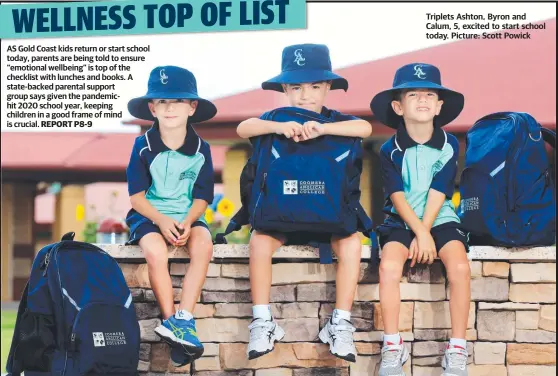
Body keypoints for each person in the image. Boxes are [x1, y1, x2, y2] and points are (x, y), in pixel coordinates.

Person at [236, 44, 373, 362]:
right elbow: (244, 128)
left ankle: (340, 322)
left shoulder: (339, 121)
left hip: (329, 219)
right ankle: (262, 320)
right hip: (280, 217)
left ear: (327, 87)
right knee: (259, 243)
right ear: (285, 89)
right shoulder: (274, 118)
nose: (305, 94)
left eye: (314, 86)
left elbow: (364, 128)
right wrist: (279, 127)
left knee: (351, 244)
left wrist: (322, 129)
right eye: (296, 87)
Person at [370, 63, 471, 376]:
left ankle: (456, 349)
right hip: (400, 220)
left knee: (459, 267)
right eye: (413, 94)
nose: (423, 100)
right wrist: (417, 232)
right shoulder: (390, 149)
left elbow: (441, 189)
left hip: (439, 217)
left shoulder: (449, 144)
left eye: (430, 94)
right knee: (388, 267)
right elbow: (397, 195)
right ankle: (392, 346)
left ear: (439, 105)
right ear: (399, 106)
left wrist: (425, 233)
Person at [125, 65, 217, 366]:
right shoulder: (142, 146)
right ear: (152, 108)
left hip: (186, 215)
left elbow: (203, 196)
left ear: (192, 107)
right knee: (155, 252)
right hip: (150, 215)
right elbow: (136, 197)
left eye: (177, 101)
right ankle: (169, 320)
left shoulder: (202, 149)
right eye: (162, 102)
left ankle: (184, 318)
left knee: (203, 246)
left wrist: (189, 221)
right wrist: (162, 221)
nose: (169, 108)